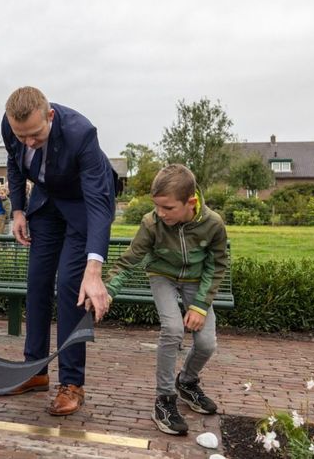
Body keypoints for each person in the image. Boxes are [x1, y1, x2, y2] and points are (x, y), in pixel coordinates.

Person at [1, 86, 116, 416]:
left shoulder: (82, 134)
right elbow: (14, 162)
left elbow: (98, 203)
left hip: (83, 204)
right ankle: (35, 371)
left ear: (50, 116)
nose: (29, 143)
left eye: (35, 135)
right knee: (37, 282)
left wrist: (93, 271)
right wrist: (19, 210)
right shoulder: (13, 127)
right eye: (22, 136)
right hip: (47, 203)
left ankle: (72, 384)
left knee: (70, 285)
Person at [103, 164, 227, 435]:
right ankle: (164, 399)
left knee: (206, 344)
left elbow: (217, 265)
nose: (160, 213)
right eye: (157, 206)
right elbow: (130, 260)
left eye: (168, 208)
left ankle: (187, 382)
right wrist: (108, 291)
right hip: (162, 276)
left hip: (197, 283)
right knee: (172, 330)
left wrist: (200, 306)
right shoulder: (152, 223)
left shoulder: (213, 224)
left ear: (190, 202)